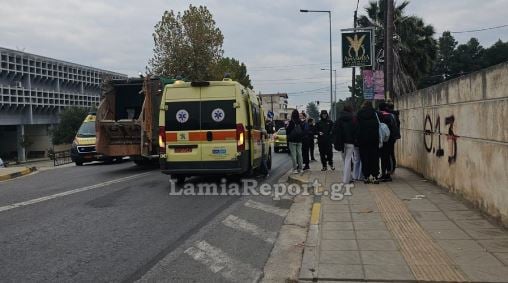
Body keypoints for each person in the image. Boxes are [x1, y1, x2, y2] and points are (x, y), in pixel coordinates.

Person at [334, 105, 359, 184]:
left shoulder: (339, 119)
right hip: (350, 142)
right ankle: (347, 179)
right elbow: (356, 130)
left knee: (345, 160)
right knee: (348, 160)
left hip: (341, 143)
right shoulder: (353, 119)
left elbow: (335, 131)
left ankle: (348, 178)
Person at [356, 101, 380, 184]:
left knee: (364, 158)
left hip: (362, 140)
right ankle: (375, 176)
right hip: (374, 139)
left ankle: (366, 177)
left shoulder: (359, 114)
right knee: (374, 158)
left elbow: (356, 127)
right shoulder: (375, 113)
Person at [378, 102, 399, 182]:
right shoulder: (391, 115)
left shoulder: (379, 116)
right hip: (390, 139)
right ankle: (388, 173)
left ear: (379, 108)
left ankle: (384, 174)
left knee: (383, 157)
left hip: (382, 139)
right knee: (389, 155)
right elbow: (395, 126)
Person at [286, 109, 304, 174]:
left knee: (294, 155)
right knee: (300, 154)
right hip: (299, 140)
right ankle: (301, 168)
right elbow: (303, 130)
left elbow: (287, 131)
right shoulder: (300, 122)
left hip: (292, 140)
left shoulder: (291, 122)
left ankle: (295, 169)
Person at [387, 102, 401, 174]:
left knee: (389, 152)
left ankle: (391, 168)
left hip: (390, 136)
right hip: (394, 136)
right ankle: (392, 168)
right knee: (391, 152)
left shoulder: (391, 115)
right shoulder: (395, 114)